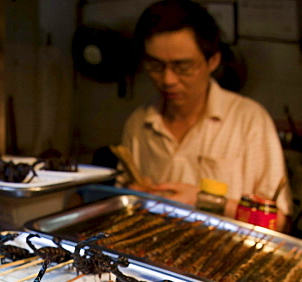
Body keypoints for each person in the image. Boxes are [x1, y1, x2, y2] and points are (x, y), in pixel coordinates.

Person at [121, 0, 290, 227]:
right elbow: (122, 201)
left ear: (213, 61)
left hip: (226, 257)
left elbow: (278, 221)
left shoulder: (249, 120)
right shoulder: (139, 123)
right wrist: (135, 194)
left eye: (183, 67)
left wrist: (204, 200)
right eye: (155, 66)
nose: (168, 80)